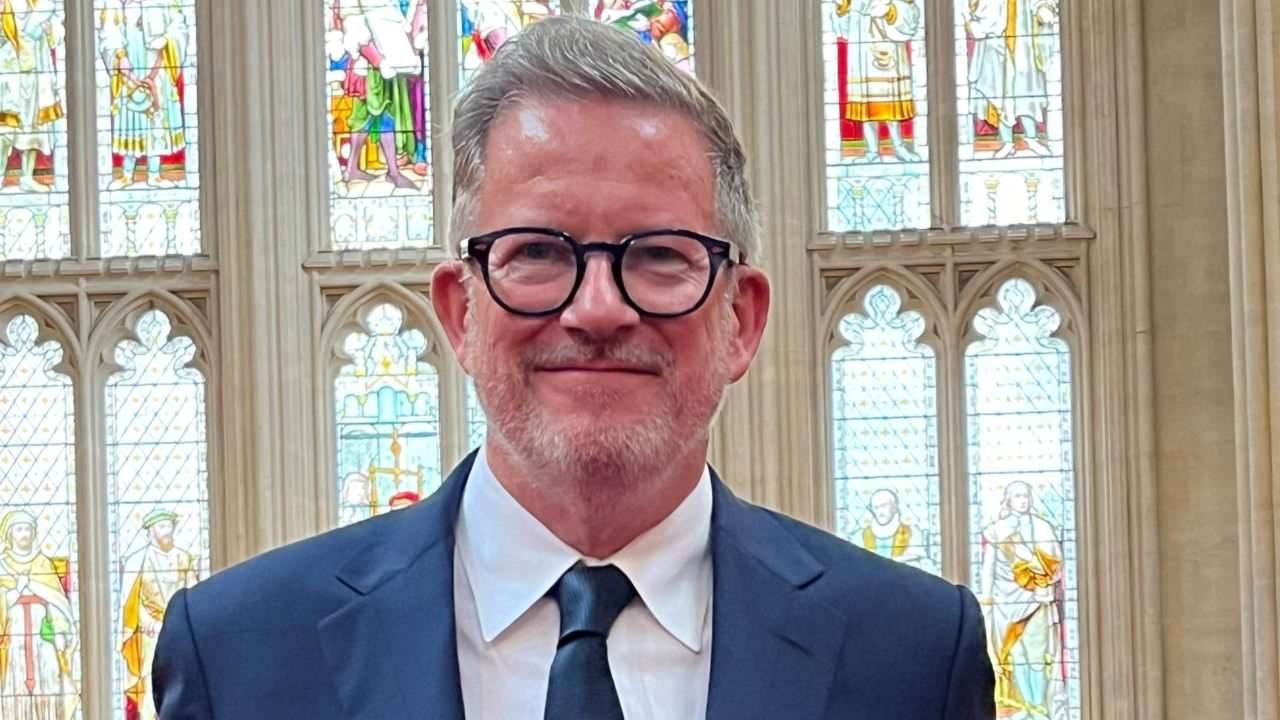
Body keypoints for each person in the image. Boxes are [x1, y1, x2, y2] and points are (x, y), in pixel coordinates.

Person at [154, 17, 994, 719]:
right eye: (537, 253)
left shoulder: (912, 657)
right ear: (460, 312)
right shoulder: (242, 657)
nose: (597, 309)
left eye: (660, 254)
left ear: (740, 319)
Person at [978, 481, 1067, 719]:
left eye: (1025, 496)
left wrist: (1041, 577)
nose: (1022, 500)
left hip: (1037, 601)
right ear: (1008, 500)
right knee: (1016, 654)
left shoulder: (1043, 528)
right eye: (1017, 496)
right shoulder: (996, 530)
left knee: (1037, 653)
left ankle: (1039, 706)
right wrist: (986, 601)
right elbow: (989, 568)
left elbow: (1055, 565)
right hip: (1006, 603)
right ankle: (1026, 706)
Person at [98, 0, 190, 189]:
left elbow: (178, 25)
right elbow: (108, 29)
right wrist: (120, 56)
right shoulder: (116, 3)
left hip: (156, 67)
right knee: (130, 117)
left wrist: (167, 40)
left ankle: (154, 174)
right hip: (129, 67)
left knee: (156, 119)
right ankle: (127, 174)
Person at [120, 509, 199, 720]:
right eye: (162, 526)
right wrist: (151, 623)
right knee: (151, 685)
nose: (167, 531)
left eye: (169, 526)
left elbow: (194, 593)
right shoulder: (137, 561)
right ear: (150, 532)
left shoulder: (184, 558)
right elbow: (132, 604)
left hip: (181, 631)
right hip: (150, 635)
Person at [0, 510, 78, 719]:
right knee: (15, 686)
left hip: (43, 639)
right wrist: (17, 590)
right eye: (19, 529)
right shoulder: (2, 565)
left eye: (28, 529)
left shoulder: (43, 563)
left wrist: (60, 631)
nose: (24, 534)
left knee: (49, 682)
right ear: (9, 534)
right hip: (13, 639)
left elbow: (58, 602)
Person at [831, 0, 922, 162]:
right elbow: (844, 28)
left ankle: (899, 147)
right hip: (861, 55)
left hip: (889, 50)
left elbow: (911, 11)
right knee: (867, 108)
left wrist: (890, 10)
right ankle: (872, 151)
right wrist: (842, 9)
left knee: (892, 106)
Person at [966, 0, 1059, 158]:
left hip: (1024, 39)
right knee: (1001, 94)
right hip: (996, 41)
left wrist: (1044, 7)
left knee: (1026, 91)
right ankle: (1007, 141)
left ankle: (1031, 138)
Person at [0, 0, 64, 193]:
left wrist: (50, 30)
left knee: (34, 126)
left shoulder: (45, 3)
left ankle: (27, 177)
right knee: (6, 128)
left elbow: (57, 31)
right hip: (10, 67)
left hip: (37, 68)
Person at [860, 488, 929, 569]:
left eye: (883, 506)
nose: (880, 512)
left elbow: (918, 559)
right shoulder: (862, 534)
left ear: (894, 507)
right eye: (876, 508)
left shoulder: (911, 532)